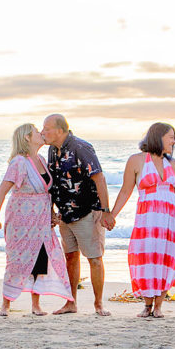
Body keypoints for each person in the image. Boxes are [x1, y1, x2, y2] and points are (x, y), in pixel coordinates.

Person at [0, 124, 73, 317]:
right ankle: (5, 304)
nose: (41, 133)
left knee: (40, 259)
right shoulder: (18, 162)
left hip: (41, 219)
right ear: (27, 137)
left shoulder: (41, 159)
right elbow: (3, 190)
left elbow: (46, 191)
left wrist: (51, 213)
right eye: (36, 131)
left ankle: (36, 305)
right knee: (16, 260)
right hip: (21, 219)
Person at [110, 122, 175, 318]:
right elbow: (125, 191)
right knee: (146, 257)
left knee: (168, 258)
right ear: (158, 137)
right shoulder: (137, 160)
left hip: (173, 219)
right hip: (148, 218)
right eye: (170, 136)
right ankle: (147, 304)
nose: (174, 141)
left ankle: (159, 306)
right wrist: (111, 215)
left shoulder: (173, 164)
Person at [41, 114, 113, 316]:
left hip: (87, 212)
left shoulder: (81, 147)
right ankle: (70, 303)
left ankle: (98, 304)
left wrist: (106, 211)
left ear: (60, 130)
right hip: (65, 215)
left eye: (46, 128)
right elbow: (53, 183)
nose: (42, 132)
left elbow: (99, 178)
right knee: (70, 258)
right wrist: (51, 211)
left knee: (94, 258)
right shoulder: (51, 151)